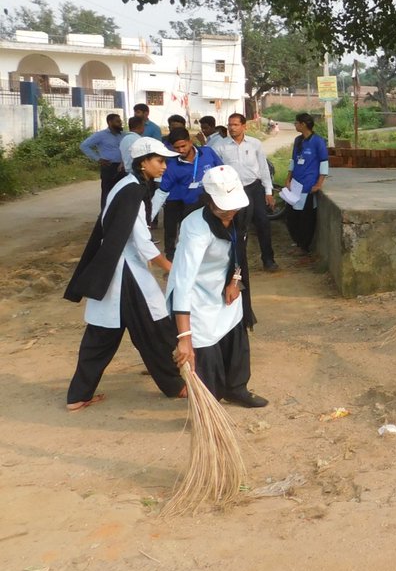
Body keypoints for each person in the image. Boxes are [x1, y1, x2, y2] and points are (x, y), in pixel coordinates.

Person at [63, 137, 186, 410]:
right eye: (160, 161)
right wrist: (174, 269)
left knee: (101, 336)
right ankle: (176, 385)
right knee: (154, 329)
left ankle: (78, 395)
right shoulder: (134, 192)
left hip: (112, 268)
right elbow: (142, 243)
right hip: (126, 273)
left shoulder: (125, 185)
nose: (165, 166)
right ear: (143, 163)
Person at [168, 165, 268, 407]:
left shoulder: (238, 212)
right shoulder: (195, 229)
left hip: (224, 287)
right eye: (224, 208)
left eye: (232, 207)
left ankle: (236, 389)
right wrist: (184, 337)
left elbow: (238, 249)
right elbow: (182, 282)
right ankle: (207, 404)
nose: (230, 213)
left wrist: (235, 280)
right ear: (209, 200)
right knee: (207, 352)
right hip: (196, 296)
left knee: (236, 338)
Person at [152, 127, 225, 259]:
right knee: (174, 229)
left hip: (206, 201)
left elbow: (223, 172)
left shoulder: (207, 153)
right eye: (176, 148)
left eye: (183, 146)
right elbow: (161, 192)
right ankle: (172, 257)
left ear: (190, 142)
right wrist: (148, 218)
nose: (180, 150)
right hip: (180, 200)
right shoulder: (172, 165)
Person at [222, 113, 278, 271]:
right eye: (230, 125)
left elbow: (263, 168)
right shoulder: (221, 146)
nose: (232, 128)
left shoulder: (255, 144)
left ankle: (268, 259)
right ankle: (238, 262)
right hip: (234, 190)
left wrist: (268, 191)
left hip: (255, 188)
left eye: (235, 125)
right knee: (239, 226)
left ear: (244, 126)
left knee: (263, 223)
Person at [284, 113, 329, 256]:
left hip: (308, 185)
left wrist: (319, 183)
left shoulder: (318, 141)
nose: (295, 125)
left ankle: (304, 246)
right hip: (295, 184)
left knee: (306, 218)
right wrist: (288, 178)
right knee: (291, 217)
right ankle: (297, 242)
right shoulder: (298, 140)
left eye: (296, 123)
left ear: (303, 124)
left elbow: (323, 163)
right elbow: (293, 161)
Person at [80, 113, 126, 206]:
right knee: (107, 192)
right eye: (117, 121)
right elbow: (84, 146)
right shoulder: (101, 135)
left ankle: (118, 216)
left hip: (122, 167)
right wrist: (97, 158)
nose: (120, 123)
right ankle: (104, 217)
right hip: (109, 167)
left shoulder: (123, 135)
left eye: (120, 121)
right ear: (110, 122)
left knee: (121, 192)